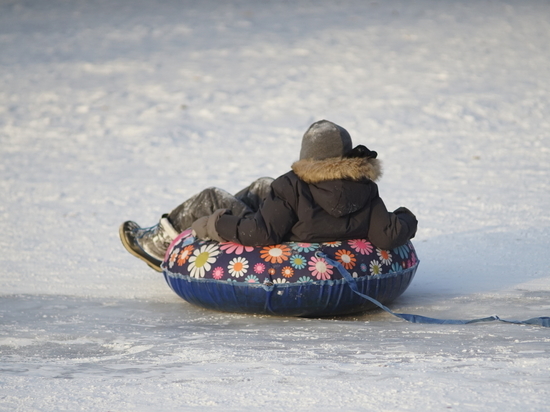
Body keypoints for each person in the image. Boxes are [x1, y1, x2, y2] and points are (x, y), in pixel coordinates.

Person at [119, 120, 418, 272]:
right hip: (308, 225)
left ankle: (160, 242)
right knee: (264, 185)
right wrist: (405, 216)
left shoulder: (292, 186)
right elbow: (388, 234)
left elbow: (259, 233)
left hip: (285, 237)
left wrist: (215, 225)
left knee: (212, 197)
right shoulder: (365, 189)